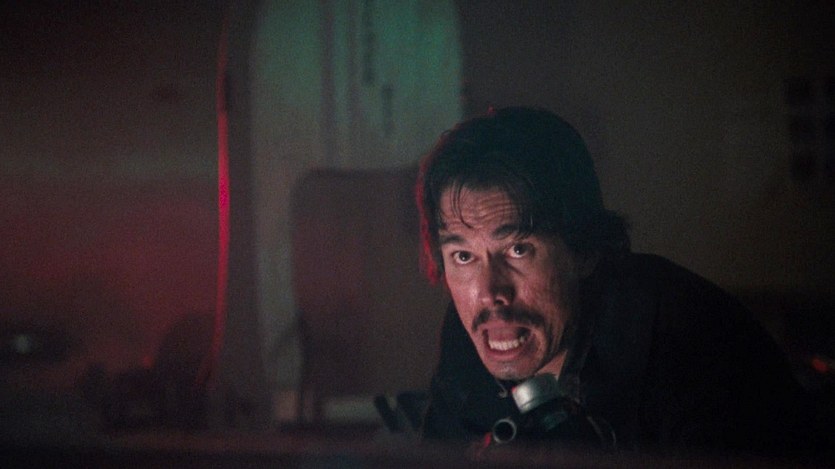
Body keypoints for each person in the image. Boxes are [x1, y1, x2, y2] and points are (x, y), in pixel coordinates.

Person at [415, 106, 827, 459]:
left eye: (518, 249)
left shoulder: (684, 338)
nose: (490, 293)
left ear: (584, 250)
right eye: (463, 256)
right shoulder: (472, 333)